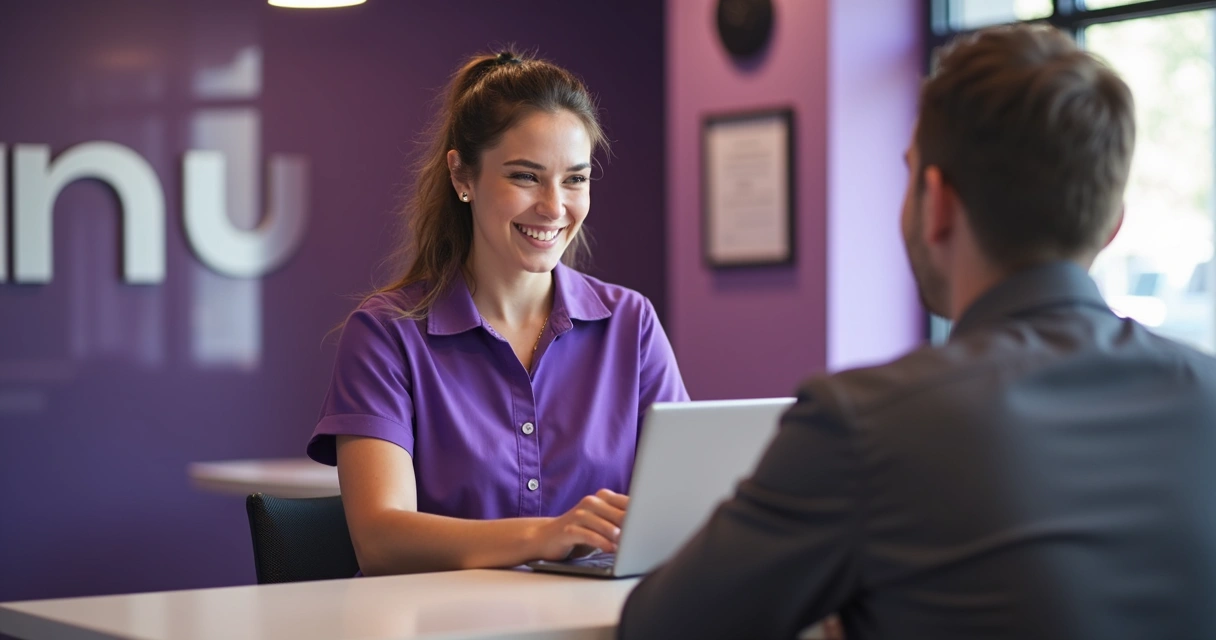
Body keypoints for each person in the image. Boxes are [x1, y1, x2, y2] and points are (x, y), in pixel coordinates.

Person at [619, 23, 1216, 640]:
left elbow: (662, 628)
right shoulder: (1206, 392)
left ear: (936, 202)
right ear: (1113, 223)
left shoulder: (865, 423)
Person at [307, 50, 688, 576]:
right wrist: (548, 534)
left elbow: (680, 513)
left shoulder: (632, 324)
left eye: (575, 179)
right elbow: (380, 538)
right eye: (526, 176)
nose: (555, 207)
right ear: (462, 176)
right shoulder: (386, 334)